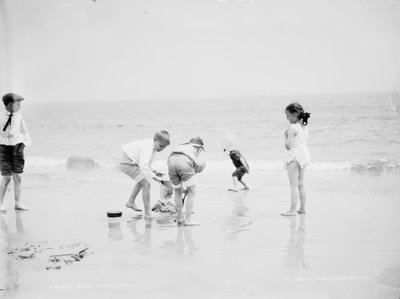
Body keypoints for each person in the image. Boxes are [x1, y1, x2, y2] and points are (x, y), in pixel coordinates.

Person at [119, 131, 170, 218]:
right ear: (155, 139)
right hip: (127, 163)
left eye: (164, 148)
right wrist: (154, 177)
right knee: (146, 184)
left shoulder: (153, 148)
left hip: (128, 162)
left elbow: (147, 165)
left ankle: (130, 202)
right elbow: (143, 166)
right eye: (161, 146)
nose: (161, 149)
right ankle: (148, 212)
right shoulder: (148, 147)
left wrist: (154, 172)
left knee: (142, 181)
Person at [0, 93, 32, 213]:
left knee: (18, 176)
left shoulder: (19, 116)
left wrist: (24, 144)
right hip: (4, 149)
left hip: (17, 148)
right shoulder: (1, 116)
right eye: (18, 104)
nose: (20, 106)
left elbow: (25, 131)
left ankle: (18, 203)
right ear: (9, 104)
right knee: (7, 177)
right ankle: (1, 203)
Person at [168, 137, 206, 226]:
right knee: (192, 191)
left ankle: (179, 218)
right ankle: (188, 220)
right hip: (184, 161)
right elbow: (200, 164)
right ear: (200, 145)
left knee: (178, 191)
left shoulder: (183, 146)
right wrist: (194, 171)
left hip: (171, 161)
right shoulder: (200, 148)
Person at [281, 103, 311, 216]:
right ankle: (302, 208)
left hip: (294, 155)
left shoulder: (292, 128)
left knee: (293, 185)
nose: (286, 118)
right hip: (304, 154)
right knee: (301, 184)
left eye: (287, 115)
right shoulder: (304, 126)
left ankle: (292, 210)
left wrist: (286, 136)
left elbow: (288, 146)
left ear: (294, 114)